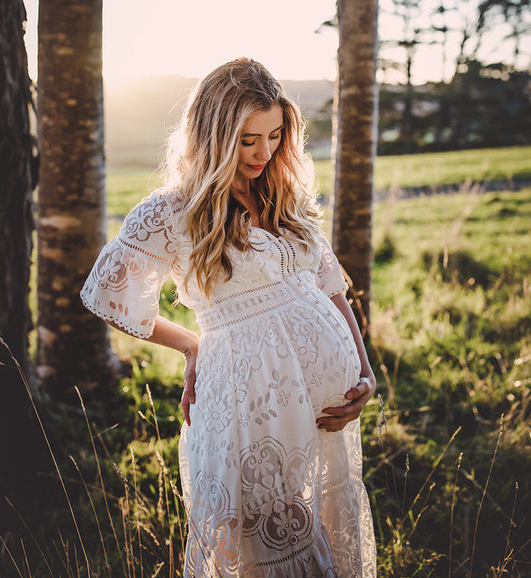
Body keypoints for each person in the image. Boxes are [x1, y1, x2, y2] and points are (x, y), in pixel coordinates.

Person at [81, 58, 377, 577]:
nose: (265, 152)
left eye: (275, 135)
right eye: (248, 140)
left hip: (322, 417)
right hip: (248, 404)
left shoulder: (285, 194)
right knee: (266, 551)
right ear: (214, 137)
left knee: (323, 531)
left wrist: (364, 372)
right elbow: (108, 294)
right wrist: (193, 344)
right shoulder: (174, 210)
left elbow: (330, 288)